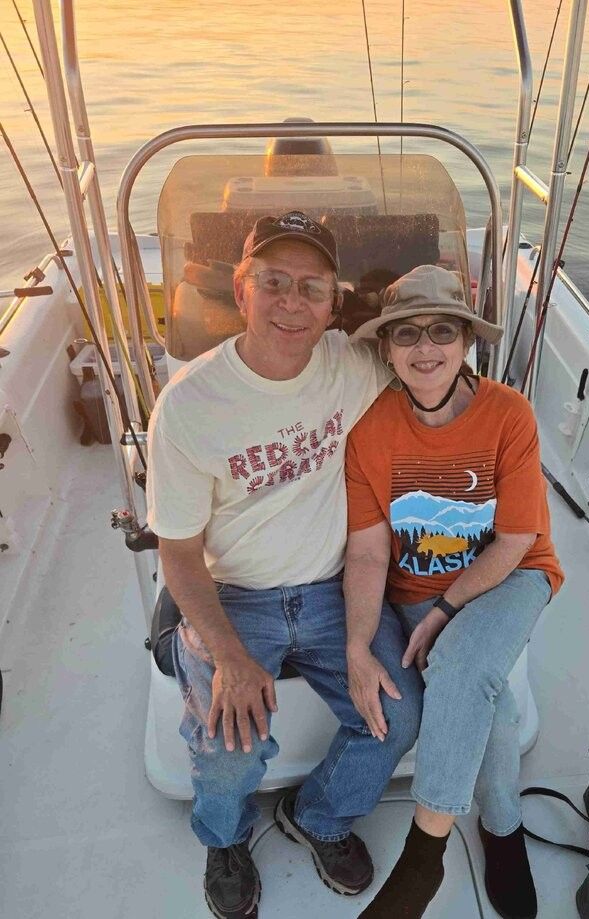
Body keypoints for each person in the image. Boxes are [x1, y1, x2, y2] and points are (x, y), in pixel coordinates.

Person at [146, 211, 423, 919]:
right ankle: (225, 835)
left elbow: (430, 357)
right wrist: (230, 655)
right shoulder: (188, 406)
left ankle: (320, 814)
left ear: (335, 303)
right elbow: (178, 550)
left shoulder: (349, 362)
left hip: (334, 587)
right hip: (235, 593)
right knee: (230, 741)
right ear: (240, 291)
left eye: (312, 287)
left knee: (400, 710)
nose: (292, 302)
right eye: (274, 282)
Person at [343, 264, 564, 919]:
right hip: (413, 585)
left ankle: (423, 856)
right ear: (386, 348)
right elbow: (366, 549)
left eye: (443, 329)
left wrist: (445, 610)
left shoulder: (509, 414)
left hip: (513, 575)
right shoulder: (370, 429)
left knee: (461, 661)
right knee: (485, 700)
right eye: (406, 333)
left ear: (466, 339)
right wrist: (358, 643)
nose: (425, 347)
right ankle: (503, 831)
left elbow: (517, 540)